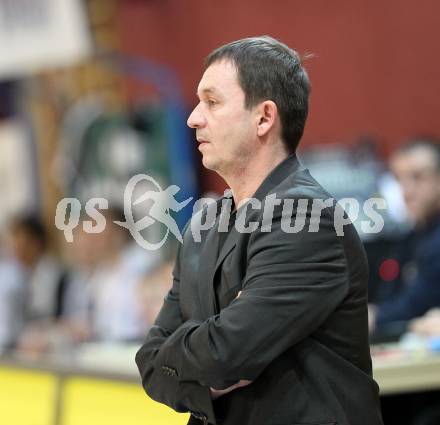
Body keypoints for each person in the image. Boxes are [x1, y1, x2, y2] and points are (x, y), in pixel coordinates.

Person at [135, 36, 383, 425]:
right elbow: (149, 364)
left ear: (264, 117)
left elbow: (225, 352)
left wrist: (185, 355)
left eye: (212, 102)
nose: (193, 117)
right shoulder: (204, 222)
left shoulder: (307, 217)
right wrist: (197, 360)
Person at [369, 139, 440, 332]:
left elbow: (417, 304)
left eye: (417, 177)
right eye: (399, 180)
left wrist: (375, 317)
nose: (406, 191)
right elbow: (390, 294)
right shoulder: (411, 238)